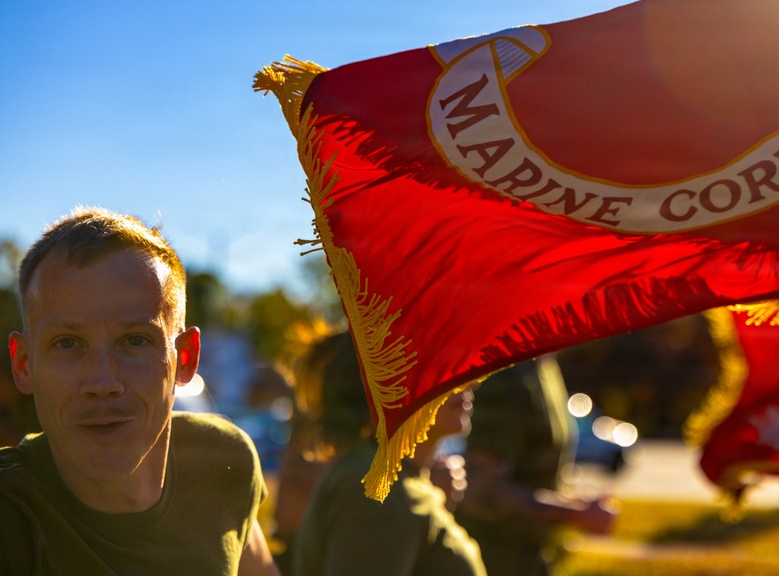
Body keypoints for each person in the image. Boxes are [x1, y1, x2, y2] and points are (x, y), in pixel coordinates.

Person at [1, 207, 279, 575]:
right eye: (67, 343)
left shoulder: (223, 461)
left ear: (185, 357)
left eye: (134, 340)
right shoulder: (11, 516)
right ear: (23, 364)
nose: (102, 383)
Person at [287, 331, 485, 576]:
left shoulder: (394, 482)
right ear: (391, 382)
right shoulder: (378, 491)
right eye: (444, 365)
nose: (471, 380)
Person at [455, 355, 619, 576]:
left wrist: (576, 504)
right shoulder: (505, 372)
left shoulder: (544, 364)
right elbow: (482, 491)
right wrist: (573, 514)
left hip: (531, 561)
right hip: (492, 562)